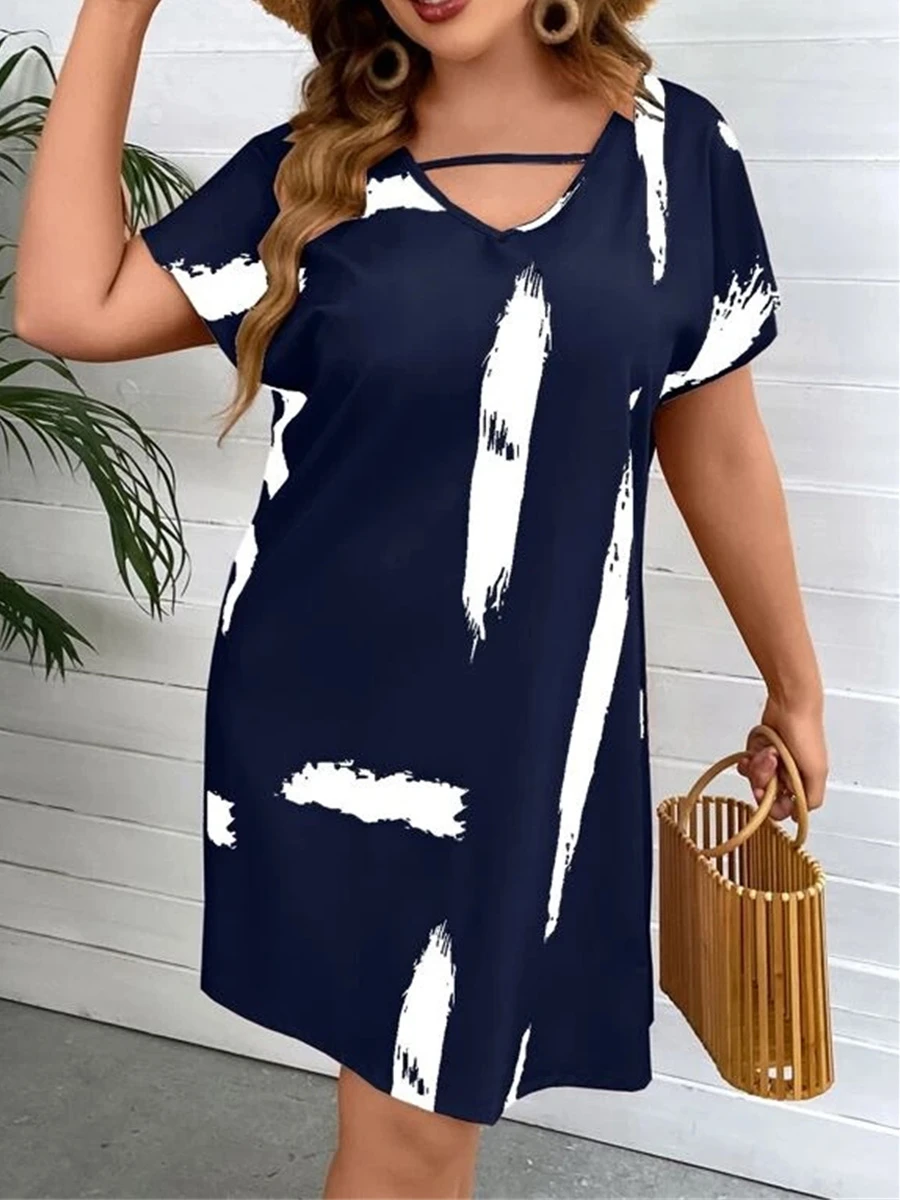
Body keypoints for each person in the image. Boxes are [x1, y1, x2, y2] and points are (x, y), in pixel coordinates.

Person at [14, 0, 829, 1196]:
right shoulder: (313, 175)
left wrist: (793, 684)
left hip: (538, 734)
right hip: (328, 729)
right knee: (414, 1141)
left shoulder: (680, 155)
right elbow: (61, 307)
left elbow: (714, 441)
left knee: (419, 1131)